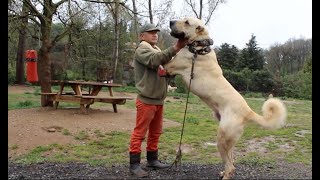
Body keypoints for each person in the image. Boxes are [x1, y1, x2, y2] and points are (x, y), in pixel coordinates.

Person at [129, 23, 188, 177]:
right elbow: (155, 60)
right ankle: (134, 165)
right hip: (146, 100)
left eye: (156, 32)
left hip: (158, 100)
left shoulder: (156, 49)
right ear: (142, 36)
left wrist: (171, 72)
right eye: (151, 32)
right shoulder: (142, 49)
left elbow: (162, 67)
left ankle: (152, 160)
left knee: (155, 132)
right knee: (139, 133)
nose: (155, 35)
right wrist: (176, 47)